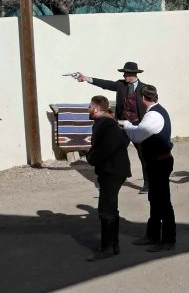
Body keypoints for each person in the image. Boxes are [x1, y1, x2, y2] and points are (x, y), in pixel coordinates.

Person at [77, 62, 151, 193]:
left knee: (143, 155)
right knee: (115, 151)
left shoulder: (144, 88)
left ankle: (148, 183)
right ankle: (112, 178)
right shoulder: (120, 85)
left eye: (125, 73)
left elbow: (150, 105)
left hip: (137, 126)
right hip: (122, 125)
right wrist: (86, 78)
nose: (124, 75)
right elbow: (105, 84)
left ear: (132, 74)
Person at [122, 86, 175, 252]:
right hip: (156, 162)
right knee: (154, 198)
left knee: (163, 201)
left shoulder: (153, 115)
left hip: (160, 162)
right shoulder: (155, 112)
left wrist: (126, 125)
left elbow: (137, 135)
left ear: (143, 98)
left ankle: (168, 240)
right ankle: (152, 235)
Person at [84, 95, 131, 261]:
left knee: (106, 210)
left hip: (112, 171)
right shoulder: (107, 123)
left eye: (90, 107)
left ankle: (107, 248)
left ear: (97, 109)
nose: (88, 109)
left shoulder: (107, 124)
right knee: (110, 208)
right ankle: (113, 245)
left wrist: (91, 157)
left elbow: (107, 147)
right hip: (112, 170)